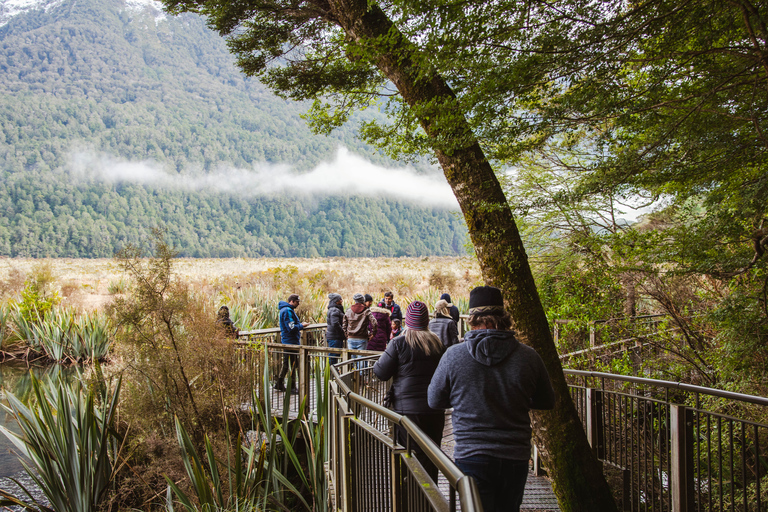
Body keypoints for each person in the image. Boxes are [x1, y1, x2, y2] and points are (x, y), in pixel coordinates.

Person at [428, 286, 555, 512]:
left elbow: (434, 400)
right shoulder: (529, 356)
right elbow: (546, 400)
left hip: (471, 454)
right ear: (504, 318)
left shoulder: (454, 356)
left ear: (471, 319)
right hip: (515, 455)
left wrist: (463, 398)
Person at [374, 301, 446, 483]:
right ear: (426, 321)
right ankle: (432, 501)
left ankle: (410, 500)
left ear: (408, 321)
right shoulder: (438, 344)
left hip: (407, 412)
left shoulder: (398, 343)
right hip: (435, 409)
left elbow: (380, 373)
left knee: (408, 458)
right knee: (431, 457)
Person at [275, 294, 308, 393]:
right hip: (290, 341)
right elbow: (291, 327)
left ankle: (280, 384)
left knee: (287, 363)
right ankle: (292, 387)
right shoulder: (287, 311)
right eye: (297, 302)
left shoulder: (286, 310)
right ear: (292, 301)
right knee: (292, 364)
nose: (298, 304)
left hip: (289, 340)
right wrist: (301, 325)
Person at [343, 293, 377, 363]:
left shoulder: (348, 311)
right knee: (361, 360)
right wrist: (373, 333)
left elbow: (344, 324)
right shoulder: (366, 311)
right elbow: (375, 323)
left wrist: (347, 335)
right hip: (362, 338)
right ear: (363, 300)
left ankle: (351, 372)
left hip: (351, 338)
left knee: (351, 360)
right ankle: (361, 374)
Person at [326, 293, 346, 365]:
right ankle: (331, 373)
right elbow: (335, 323)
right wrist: (342, 332)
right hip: (335, 337)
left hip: (335, 336)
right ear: (336, 301)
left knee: (334, 356)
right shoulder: (334, 310)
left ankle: (332, 372)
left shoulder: (334, 309)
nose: (342, 300)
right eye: (340, 299)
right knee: (333, 356)